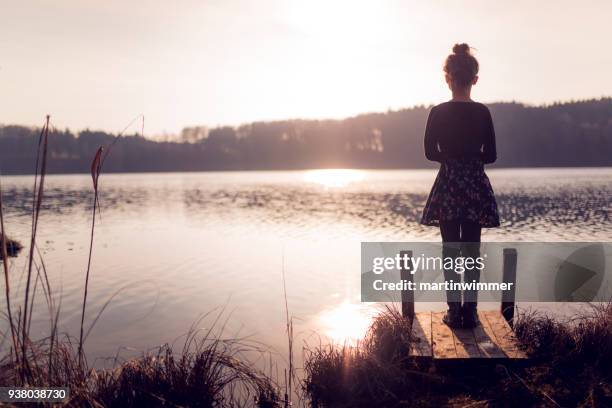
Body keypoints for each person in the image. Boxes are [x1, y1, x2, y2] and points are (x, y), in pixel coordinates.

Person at [420, 43, 500, 329]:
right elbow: (490, 155)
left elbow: (430, 152)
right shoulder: (483, 113)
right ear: (474, 80)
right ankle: (471, 311)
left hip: (450, 182)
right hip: (475, 184)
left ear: (447, 78)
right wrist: (471, 159)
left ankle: (453, 311)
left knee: (450, 248)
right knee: (472, 249)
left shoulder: (437, 112)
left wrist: (452, 158)